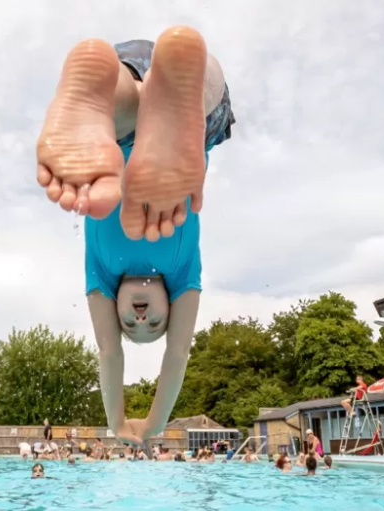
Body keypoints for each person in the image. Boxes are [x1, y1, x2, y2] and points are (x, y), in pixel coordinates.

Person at [36, 26, 235, 450]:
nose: (139, 317)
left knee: (124, 113)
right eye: (154, 322)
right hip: (191, 92)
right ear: (170, 306)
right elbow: (177, 356)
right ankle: (166, 107)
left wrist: (118, 422)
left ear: (115, 310)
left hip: (121, 86)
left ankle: (106, 97)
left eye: (129, 323)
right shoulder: (184, 273)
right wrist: (154, 423)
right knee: (208, 115)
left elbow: (109, 355)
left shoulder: (101, 274)